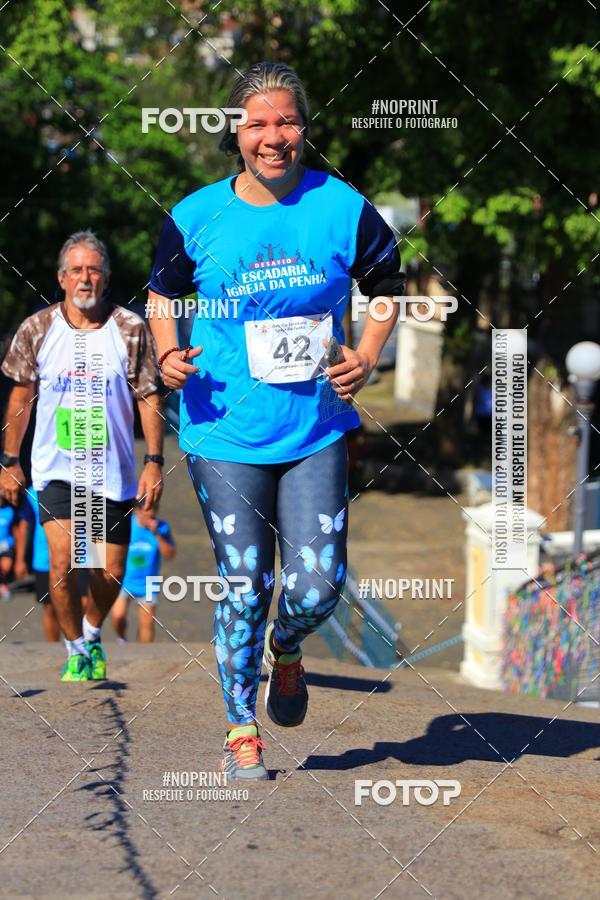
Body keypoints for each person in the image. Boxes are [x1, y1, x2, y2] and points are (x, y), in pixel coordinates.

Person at [147, 62, 404, 780]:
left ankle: (285, 651)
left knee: (318, 585)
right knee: (244, 583)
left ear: (304, 128)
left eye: (286, 122)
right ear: (235, 130)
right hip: (223, 428)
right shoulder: (195, 216)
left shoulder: (342, 206)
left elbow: (387, 283)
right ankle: (240, 730)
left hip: (315, 426)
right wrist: (168, 356)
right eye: (258, 123)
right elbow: (162, 294)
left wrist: (368, 355)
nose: (273, 137)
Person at [0, 230, 164, 681]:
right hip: (56, 467)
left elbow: (149, 396)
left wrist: (154, 460)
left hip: (112, 471)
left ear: (106, 278)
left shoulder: (129, 329)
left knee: (109, 571)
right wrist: (11, 461)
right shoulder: (38, 328)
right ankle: (74, 649)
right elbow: (20, 398)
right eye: (76, 270)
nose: (85, 278)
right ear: (62, 277)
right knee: (62, 558)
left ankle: (93, 633)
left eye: (93, 269)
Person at [111, 505, 176, 643]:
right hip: (125, 581)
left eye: (153, 515)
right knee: (118, 615)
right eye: (148, 515)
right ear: (138, 511)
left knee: (147, 623)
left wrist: (157, 534)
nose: (151, 518)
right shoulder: (127, 524)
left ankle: (144, 656)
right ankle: (122, 638)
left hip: (149, 583)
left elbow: (169, 554)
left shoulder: (162, 527)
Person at [22, 486, 61, 641]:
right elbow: (24, 525)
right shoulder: (32, 492)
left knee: (76, 606)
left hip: (75, 558)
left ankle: (75, 648)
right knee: (50, 607)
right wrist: (21, 559)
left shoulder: (78, 485)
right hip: (44, 560)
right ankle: (53, 649)